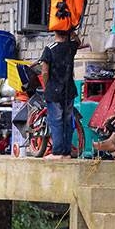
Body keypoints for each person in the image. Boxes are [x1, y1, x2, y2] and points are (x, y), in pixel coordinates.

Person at [39, 28, 80, 160]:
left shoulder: (49, 48)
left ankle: (57, 152)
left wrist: (46, 86)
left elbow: (44, 72)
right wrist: (72, 32)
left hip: (55, 91)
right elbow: (78, 42)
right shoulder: (70, 47)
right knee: (67, 121)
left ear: (54, 31)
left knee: (56, 121)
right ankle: (66, 152)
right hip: (69, 91)